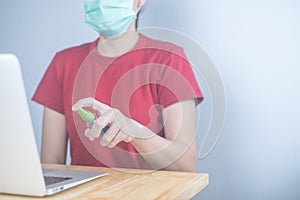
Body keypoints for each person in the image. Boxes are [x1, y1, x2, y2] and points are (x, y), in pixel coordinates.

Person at [32, 0, 203, 172]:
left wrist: (134, 133)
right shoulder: (64, 64)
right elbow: (51, 167)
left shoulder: (169, 60)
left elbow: (186, 166)